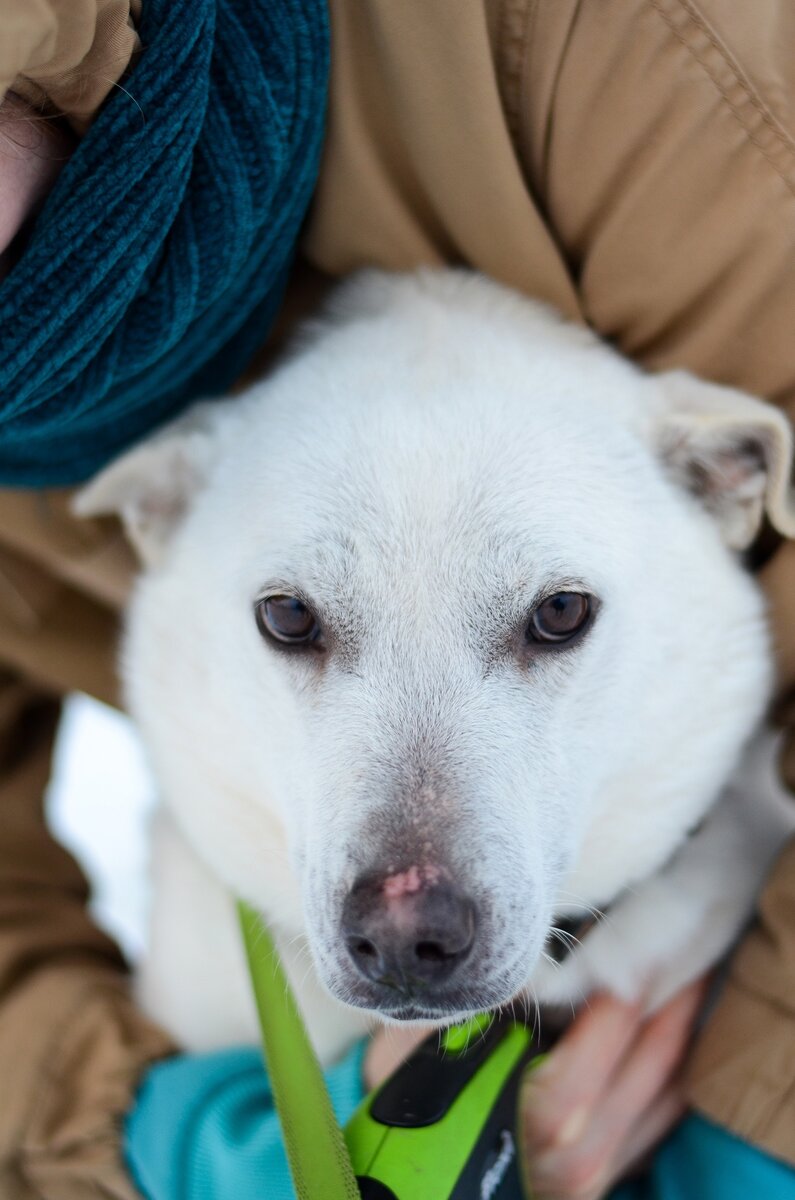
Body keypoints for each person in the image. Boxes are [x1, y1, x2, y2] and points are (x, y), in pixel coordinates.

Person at [1, 2, 794, 1198]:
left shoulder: (654, 68)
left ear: (729, 483)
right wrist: (171, 1143)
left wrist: (760, 1126)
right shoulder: (192, 495)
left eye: (554, 619)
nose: (408, 901)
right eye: (296, 622)